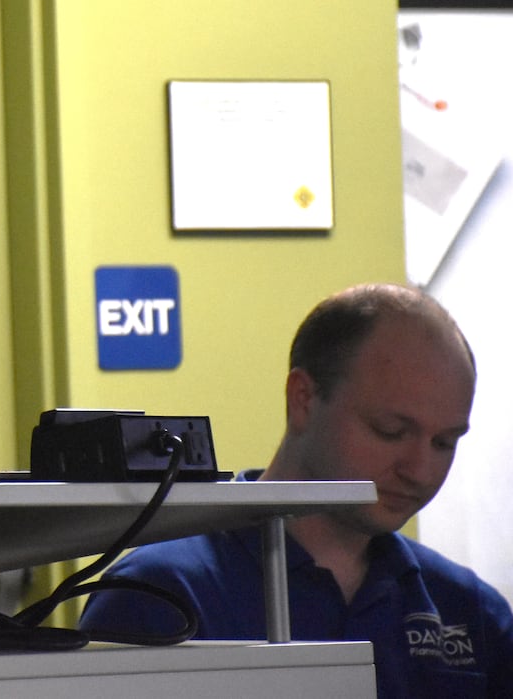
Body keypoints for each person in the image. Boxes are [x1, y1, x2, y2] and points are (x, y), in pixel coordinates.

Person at [79, 282, 513, 698]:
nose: (420, 470)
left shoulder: (470, 611)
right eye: (391, 431)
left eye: (445, 442)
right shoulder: (163, 595)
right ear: (303, 399)